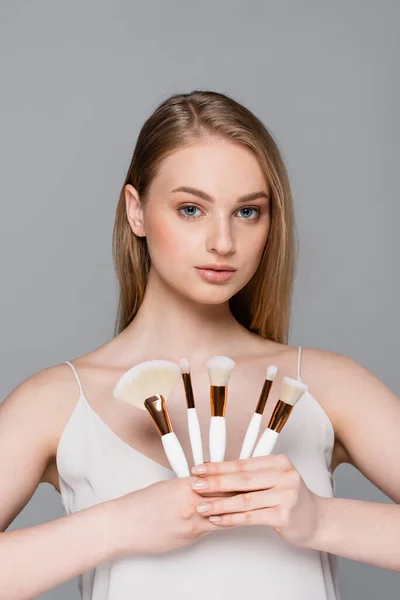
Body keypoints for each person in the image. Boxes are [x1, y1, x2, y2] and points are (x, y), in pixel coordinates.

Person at [0, 90, 399, 600]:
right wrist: (116, 525)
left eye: (247, 212)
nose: (224, 242)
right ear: (136, 212)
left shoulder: (326, 386)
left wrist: (320, 519)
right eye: (191, 209)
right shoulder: (57, 402)